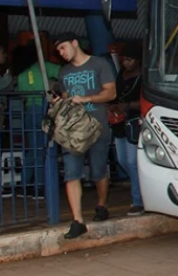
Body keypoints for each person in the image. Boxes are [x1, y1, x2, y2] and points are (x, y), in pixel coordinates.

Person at [52, 33, 117, 239]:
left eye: (63, 48)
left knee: (98, 171)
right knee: (72, 173)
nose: (61, 53)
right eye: (58, 51)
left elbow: (111, 93)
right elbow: (65, 97)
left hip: (97, 125)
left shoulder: (99, 64)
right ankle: (77, 220)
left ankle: (102, 204)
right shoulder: (64, 72)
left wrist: (86, 98)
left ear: (74, 43)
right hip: (73, 129)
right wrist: (60, 104)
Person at [15, 40, 61, 199]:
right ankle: (40, 187)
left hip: (29, 110)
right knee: (43, 149)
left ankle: (24, 185)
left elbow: (21, 95)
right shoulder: (43, 67)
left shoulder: (21, 75)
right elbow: (62, 72)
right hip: (43, 109)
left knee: (32, 150)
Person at [108, 43, 144, 216]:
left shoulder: (143, 77)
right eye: (124, 60)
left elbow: (145, 102)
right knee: (122, 160)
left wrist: (128, 105)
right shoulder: (121, 75)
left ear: (138, 61)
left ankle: (138, 200)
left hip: (134, 122)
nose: (125, 63)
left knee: (131, 161)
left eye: (129, 60)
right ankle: (144, 187)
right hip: (119, 122)